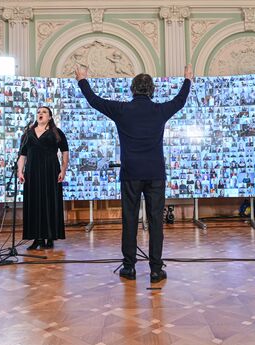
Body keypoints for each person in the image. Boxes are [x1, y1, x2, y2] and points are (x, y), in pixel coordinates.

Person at [75, 64, 192, 283]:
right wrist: (187, 80)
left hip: (131, 173)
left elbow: (94, 101)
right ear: (152, 90)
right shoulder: (159, 110)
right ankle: (156, 269)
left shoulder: (122, 110)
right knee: (156, 221)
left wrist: (82, 79)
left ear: (132, 89)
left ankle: (129, 267)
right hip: (155, 172)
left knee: (130, 220)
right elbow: (179, 101)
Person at [17, 106, 69, 250]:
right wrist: (20, 171)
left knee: (49, 202)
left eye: (44, 112)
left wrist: (63, 170)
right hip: (32, 172)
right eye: (39, 112)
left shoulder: (57, 133)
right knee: (34, 203)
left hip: (51, 171)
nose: (41, 114)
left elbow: (65, 152)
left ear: (50, 117)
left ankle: (50, 237)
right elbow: (22, 155)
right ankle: (36, 238)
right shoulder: (28, 133)